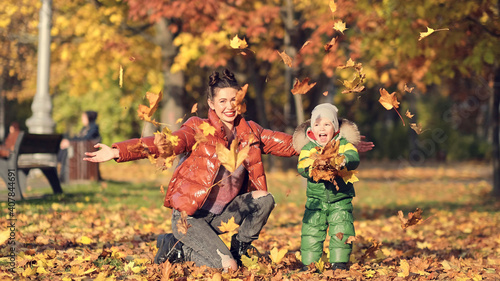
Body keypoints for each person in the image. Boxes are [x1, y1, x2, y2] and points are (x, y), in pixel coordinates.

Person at [83, 69, 374, 271]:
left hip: (224, 217)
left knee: (264, 198)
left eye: (234, 100)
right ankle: (175, 247)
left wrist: (336, 142)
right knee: (228, 268)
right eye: (222, 101)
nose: (229, 106)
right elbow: (166, 143)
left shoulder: (250, 130)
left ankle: (241, 246)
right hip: (190, 218)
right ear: (211, 103)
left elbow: (291, 144)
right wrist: (118, 151)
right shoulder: (198, 127)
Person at [292, 103, 360, 271]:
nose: (321, 128)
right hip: (315, 201)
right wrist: (314, 169)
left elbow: (354, 157)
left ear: (335, 128)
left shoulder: (343, 144)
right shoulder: (309, 148)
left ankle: (339, 263)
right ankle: (310, 264)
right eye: (317, 124)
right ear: (311, 130)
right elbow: (302, 166)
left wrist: (343, 160)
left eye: (327, 124)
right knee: (312, 231)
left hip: (340, 199)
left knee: (342, 229)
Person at [59, 111, 101, 182]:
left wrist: (69, 142)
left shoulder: (93, 128)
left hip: (85, 152)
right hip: (80, 150)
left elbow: (85, 139)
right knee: (64, 150)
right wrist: (68, 140)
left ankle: (63, 176)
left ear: (89, 118)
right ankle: (63, 175)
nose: (82, 119)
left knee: (66, 151)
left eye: (84, 117)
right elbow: (78, 137)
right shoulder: (85, 128)